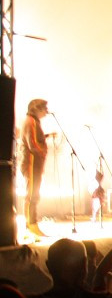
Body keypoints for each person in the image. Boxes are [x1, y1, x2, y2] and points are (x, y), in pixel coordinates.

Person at [20, 98, 49, 235]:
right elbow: (32, 144)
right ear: (36, 109)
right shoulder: (30, 121)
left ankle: (32, 224)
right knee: (32, 194)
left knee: (34, 193)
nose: (47, 112)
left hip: (34, 164)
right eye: (44, 108)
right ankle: (31, 224)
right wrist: (43, 151)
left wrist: (46, 137)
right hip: (31, 163)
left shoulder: (33, 122)